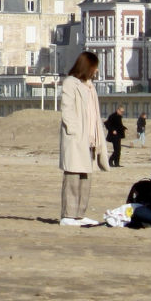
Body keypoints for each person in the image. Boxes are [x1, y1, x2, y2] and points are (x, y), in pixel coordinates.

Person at [58, 52, 107, 225]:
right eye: (94, 67)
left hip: (90, 137)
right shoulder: (71, 83)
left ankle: (80, 214)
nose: (96, 70)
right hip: (76, 137)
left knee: (86, 177)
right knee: (72, 176)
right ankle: (68, 215)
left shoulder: (90, 85)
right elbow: (67, 109)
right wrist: (75, 131)